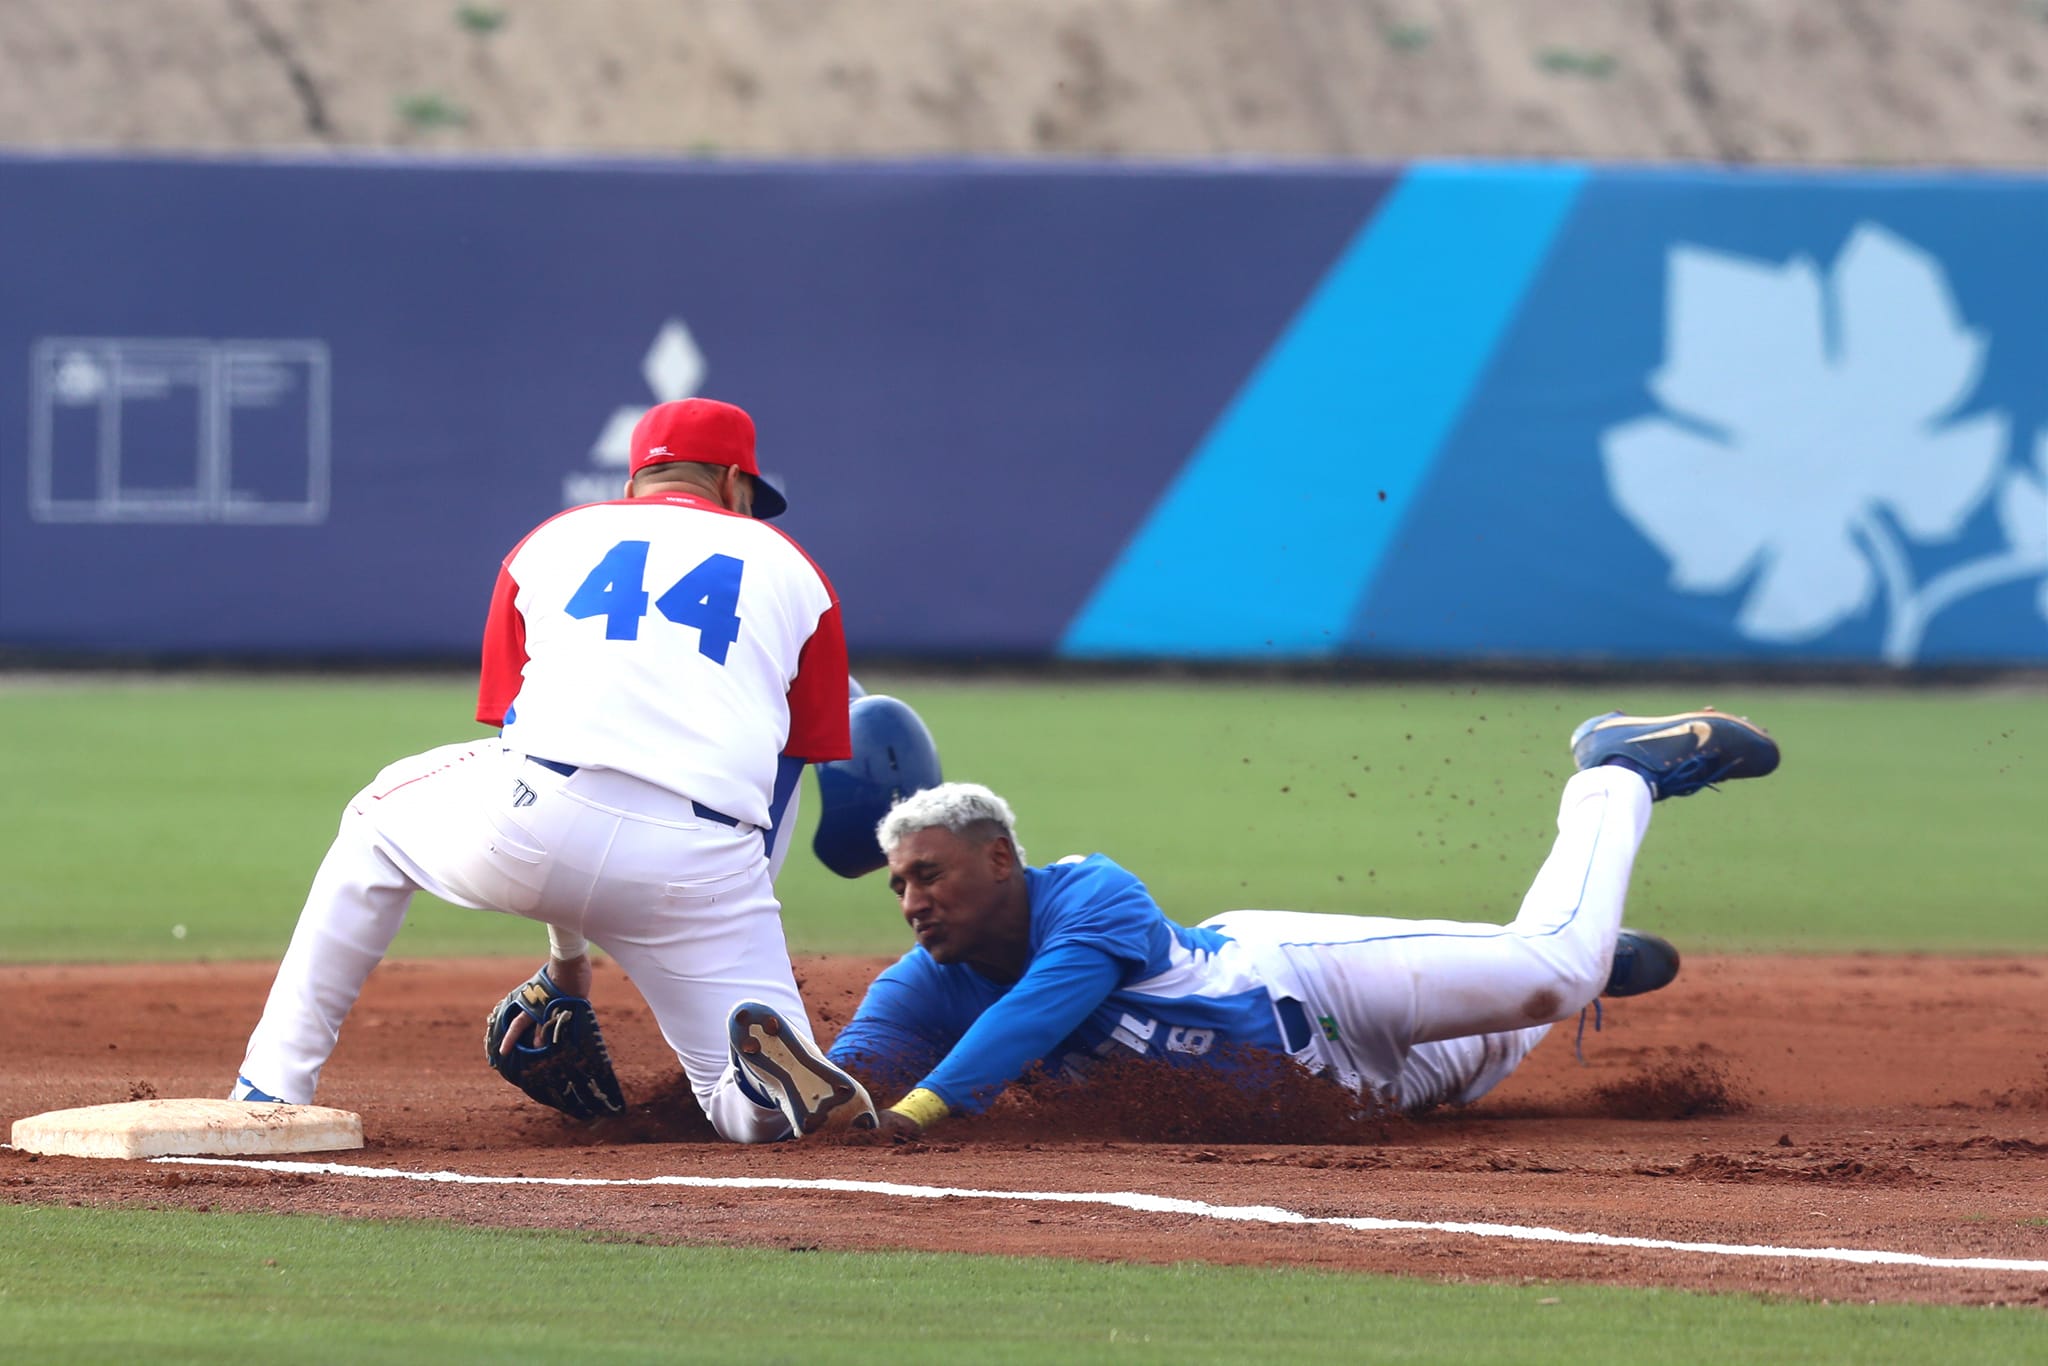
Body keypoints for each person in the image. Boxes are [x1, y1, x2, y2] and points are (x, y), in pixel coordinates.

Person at [231, 397, 875, 1141]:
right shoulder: (801, 574)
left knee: (376, 824)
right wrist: (735, 904)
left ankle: (269, 1085)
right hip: (703, 858)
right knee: (732, 1100)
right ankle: (758, 1101)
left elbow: (517, 733)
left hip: (538, 817)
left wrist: (568, 963)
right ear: (733, 482)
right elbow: (787, 772)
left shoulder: (552, 540)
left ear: (638, 480)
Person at [795, 709, 1779, 1139]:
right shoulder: (921, 979)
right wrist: (817, 1107)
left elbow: (1026, 1023)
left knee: (1546, 973)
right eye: (897, 888)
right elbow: (847, 1083)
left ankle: (1617, 771)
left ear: (999, 857)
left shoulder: (1091, 894)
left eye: (929, 874)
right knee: (1509, 1023)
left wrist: (919, 1110)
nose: (913, 900)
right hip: (1352, 1096)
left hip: (1308, 983)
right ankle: (1595, 949)